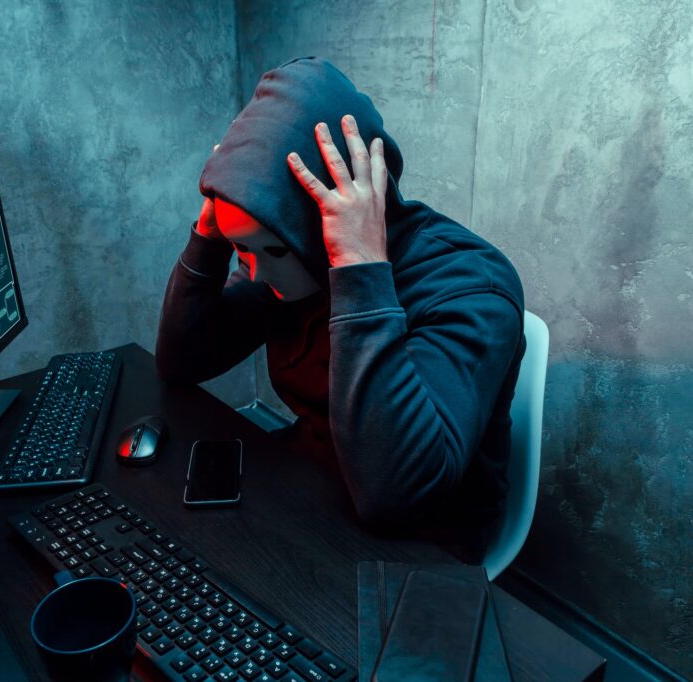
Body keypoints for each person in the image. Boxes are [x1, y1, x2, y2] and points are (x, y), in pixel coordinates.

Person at [156, 56, 525, 560]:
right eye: (246, 251)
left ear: (312, 226)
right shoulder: (288, 261)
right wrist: (212, 230)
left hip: (422, 541)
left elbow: (391, 495)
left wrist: (357, 268)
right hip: (315, 489)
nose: (258, 274)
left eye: (273, 251)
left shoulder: (472, 285)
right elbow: (182, 362)